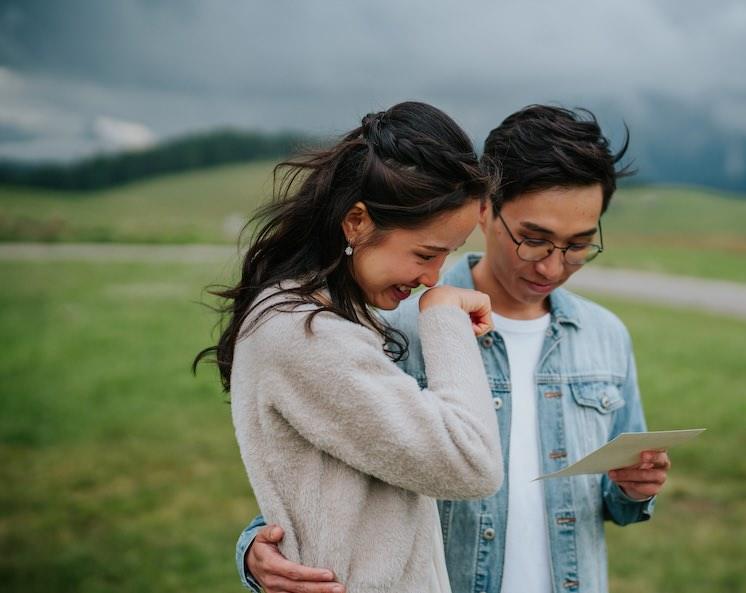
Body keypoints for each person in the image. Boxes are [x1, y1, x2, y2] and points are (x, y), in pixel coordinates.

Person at [235, 105, 673, 593]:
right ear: (486, 211)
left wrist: (631, 491)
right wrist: (258, 547)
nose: (552, 267)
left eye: (577, 247)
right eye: (534, 241)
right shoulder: (392, 318)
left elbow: (616, 494)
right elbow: (325, 476)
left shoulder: (606, 334)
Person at [195, 101, 505, 593]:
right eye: (426, 253)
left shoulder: (331, 319)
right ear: (357, 222)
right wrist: (444, 316)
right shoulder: (303, 334)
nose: (433, 277)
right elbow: (472, 463)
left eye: (447, 255)